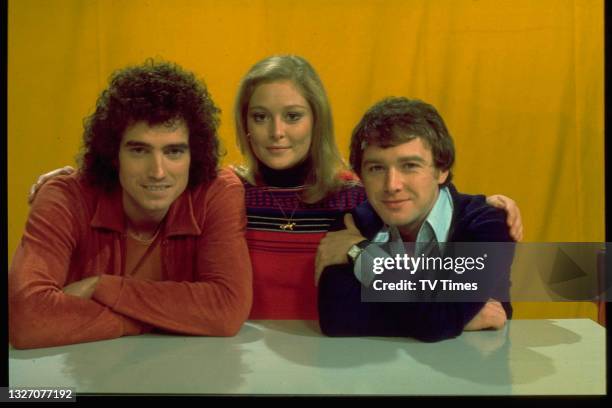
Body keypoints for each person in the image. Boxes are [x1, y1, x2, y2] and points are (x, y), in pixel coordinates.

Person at [25, 55, 522, 321]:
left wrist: (489, 210)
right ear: (243, 123)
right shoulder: (220, 191)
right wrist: (75, 179)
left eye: (292, 116)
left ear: (316, 120)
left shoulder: (356, 191)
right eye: (260, 117)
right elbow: (147, 168)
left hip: (331, 355)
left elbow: (429, 204)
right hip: (230, 353)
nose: (276, 133)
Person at [9, 60, 252, 349]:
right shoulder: (63, 196)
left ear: (193, 156)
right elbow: (28, 320)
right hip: (82, 378)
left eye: (174, 151)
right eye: (139, 150)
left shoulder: (217, 191)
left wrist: (100, 286)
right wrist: (158, 319)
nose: (158, 171)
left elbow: (226, 310)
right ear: (114, 154)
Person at [317, 97, 514, 342]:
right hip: (377, 375)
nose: (392, 185)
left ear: (441, 170)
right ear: (361, 175)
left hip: (469, 371)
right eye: (376, 168)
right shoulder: (353, 223)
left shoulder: (487, 225)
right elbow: (336, 319)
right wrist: (450, 317)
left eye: (409, 165)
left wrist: (361, 253)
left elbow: (440, 318)